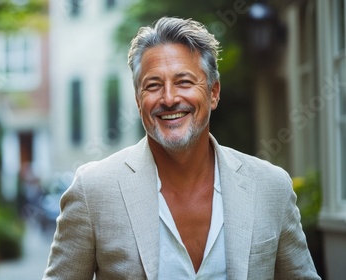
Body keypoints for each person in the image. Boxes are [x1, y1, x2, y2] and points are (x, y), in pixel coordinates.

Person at [43, 17, 320, 279]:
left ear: (213, 93)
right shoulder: (93, 191)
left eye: (184, 82)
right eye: (153, 85)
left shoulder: (271, 187)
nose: (169, 98)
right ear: (139, 101)